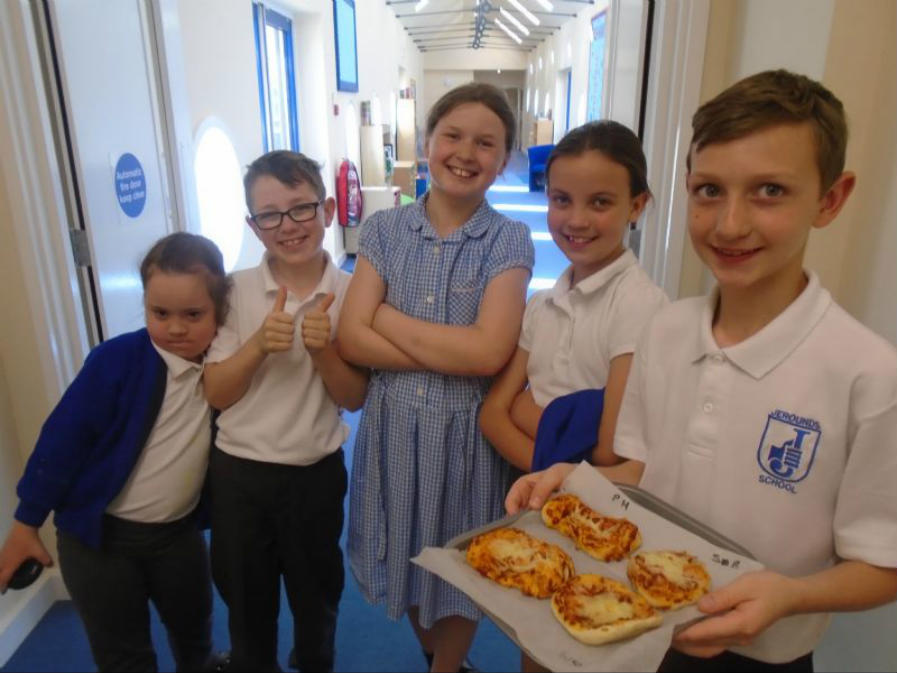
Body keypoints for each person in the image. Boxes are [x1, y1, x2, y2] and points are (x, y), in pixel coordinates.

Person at [506, 69, 897, 672]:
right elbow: (643, 468)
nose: (729, 224)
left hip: (764, 651)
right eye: (709, 190)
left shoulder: (867, 375)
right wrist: (577, 478)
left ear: (829, 199)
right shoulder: (665, 330)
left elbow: (881, 563)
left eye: (770, 190)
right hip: (646, 616)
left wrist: (792, 595)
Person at [338, 82, 535, 673]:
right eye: (452, 135)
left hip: (466, 440)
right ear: (427, 141)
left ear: (504, 160)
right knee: (404, 557)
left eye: (486, 143)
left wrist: (385, 317)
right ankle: (434, 656)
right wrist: (458, 349)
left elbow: (489, 354)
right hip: (393, 431)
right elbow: (351, 339)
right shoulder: (383, 229)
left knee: (461, 568)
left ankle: (446, 667)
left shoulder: (508, 239)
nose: (465, 153)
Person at [0, 232, 230, 672]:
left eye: (193, 314)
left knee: (194, 627)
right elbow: (61, 441)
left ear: (221, 309)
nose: (175, 328)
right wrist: (26, 522)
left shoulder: (223, 367)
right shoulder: (116, 360)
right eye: (159, 313)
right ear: (144, 304)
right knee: (122, 652)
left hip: (177, 536)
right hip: (99, 542)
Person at [203, 150, 367, 672]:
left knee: (317, 598)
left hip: (314, 474)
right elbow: (216, 393)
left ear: (328, 209)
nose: (288, 225)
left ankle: (314, 659)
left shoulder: (353, 294)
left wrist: (324, 352)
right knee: (246, 603)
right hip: (239, 476)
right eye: (270, 215)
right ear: (253, 226)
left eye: (301, 208)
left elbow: (354, 398)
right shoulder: (233, 291)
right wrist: (256, 346)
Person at [480, 120, 667, 474]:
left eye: (600, 202)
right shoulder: (542, 305)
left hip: (587, 500)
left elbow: (609, 451)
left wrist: (524, 410)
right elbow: (492, 415)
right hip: (534, 490)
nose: (577, 220)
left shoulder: (639, 305)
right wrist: (557, 466)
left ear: (636, 205)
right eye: (562, 199)